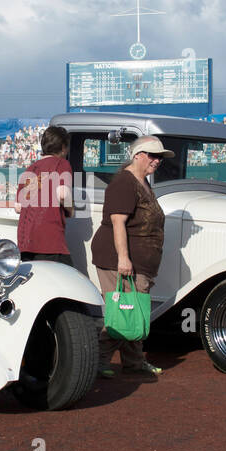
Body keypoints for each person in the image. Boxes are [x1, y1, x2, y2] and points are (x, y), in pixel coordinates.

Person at [89, 135, 171, 377]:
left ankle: (133, 362)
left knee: (135, 310)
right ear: (138, 156)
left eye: (160, 157)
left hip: (138, 261)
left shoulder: (141, 181)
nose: (157, 160)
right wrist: (123, 259)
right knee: (123, 312)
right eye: (153, 155)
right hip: (121, 260)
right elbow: (117, 222)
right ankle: (97, 361)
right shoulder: (125, 182)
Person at [16, 126, 74, 266]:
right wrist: (71, 210)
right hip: (49, 239)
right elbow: (62, 194)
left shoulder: (30, 169)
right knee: (68, 280)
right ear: (63, 147)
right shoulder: (62, 164)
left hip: (25, 239)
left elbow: (18, 207)